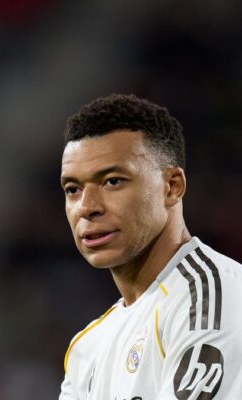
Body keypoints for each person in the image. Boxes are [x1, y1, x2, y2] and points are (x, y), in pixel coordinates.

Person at [58, 94, 242, 400]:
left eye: (113, 181)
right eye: (73, 189)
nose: (86, 207)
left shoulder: (214, 299)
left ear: (172, 187)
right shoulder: (87, 347)